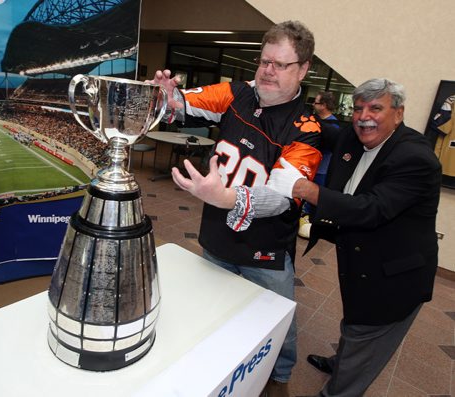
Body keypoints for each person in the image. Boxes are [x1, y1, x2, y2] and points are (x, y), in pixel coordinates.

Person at [151, 20, 323, 397]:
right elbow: (186, 104)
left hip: (264, 248)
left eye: (281, 64)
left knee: (277, 317)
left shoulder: (305, 128)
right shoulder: (236, 92)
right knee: (213, 305)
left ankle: (280, 378)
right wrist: (167, 97)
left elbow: (281, 197)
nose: (268, 71)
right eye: (264, 61)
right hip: (217, 233)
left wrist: (229, 198)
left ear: (304, 69)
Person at [267, 78, 442, 396]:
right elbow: (325, 131)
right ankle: (342, 361)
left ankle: (339, 388)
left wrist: (304, 188)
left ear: (398, 114)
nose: (364, 117)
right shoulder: (353, 135)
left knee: (366, 332)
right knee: (355, 323)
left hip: (396, 276)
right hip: (361, 262)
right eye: (359, 108)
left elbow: (372, 209)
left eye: (376, 108)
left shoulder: (415, 158)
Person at [299, 91, 340, 238]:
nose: (313, 104)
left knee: (314, 198)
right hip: (309, 166)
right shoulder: (313, 120)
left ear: (324, 105)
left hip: (322, 169)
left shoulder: (333, 127)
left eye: (316, 102)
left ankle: (310, 224)